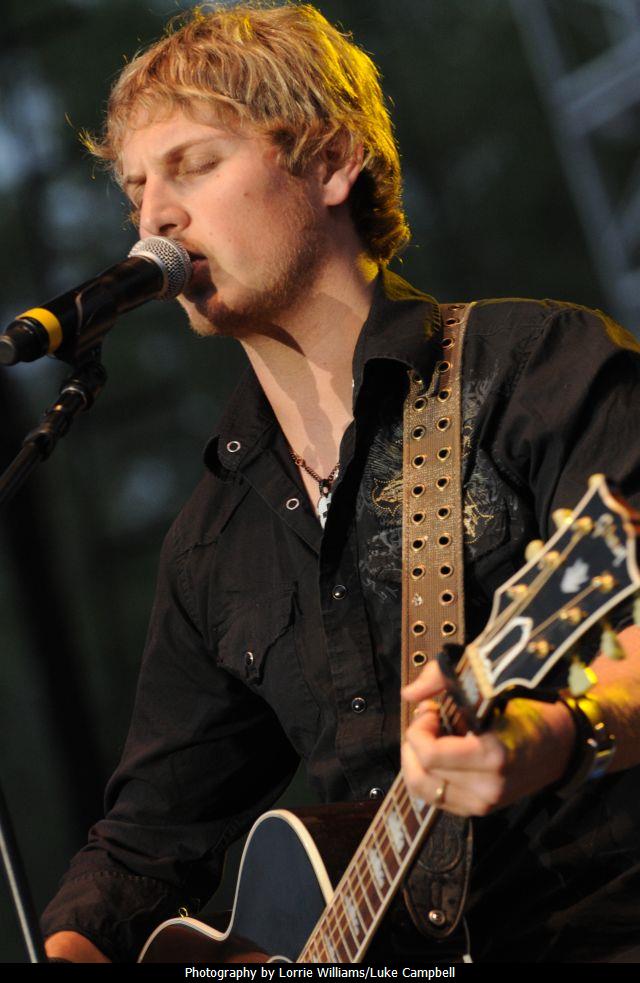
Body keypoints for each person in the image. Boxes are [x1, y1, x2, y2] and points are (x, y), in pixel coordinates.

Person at [42, 1, 640, 964]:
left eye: (194, 164)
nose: (154, 217)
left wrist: (562, 732)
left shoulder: (532, 366)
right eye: (137, 187)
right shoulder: (215, 535)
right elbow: (142, 852)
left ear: (329, 161)